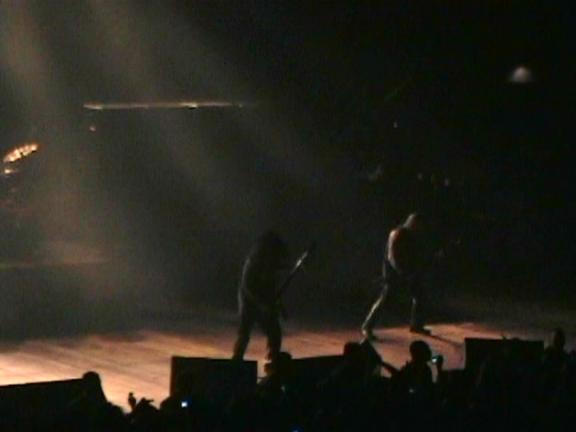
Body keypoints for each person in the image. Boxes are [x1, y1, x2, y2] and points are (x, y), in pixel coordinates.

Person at [362, 213, 432, 340]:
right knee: (385, 300)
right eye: (418, 225)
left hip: (407, 272)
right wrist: (401, 272)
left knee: (420, 295)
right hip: (394, 273)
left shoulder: (412, 235)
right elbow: (392, 257)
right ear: (412, 223)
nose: (419, 228)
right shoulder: (397, 233)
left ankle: (416, 325)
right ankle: (367, 326)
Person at [233, 231, 289, 360]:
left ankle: (273, 358)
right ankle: (236, 359)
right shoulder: (253, 262)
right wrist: (260, 305)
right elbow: (247, 287)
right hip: (248, 299)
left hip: (264, 299)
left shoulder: (272, 263)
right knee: (244, 332)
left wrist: (276, 304)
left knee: (275, 332)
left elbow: (272, 287)